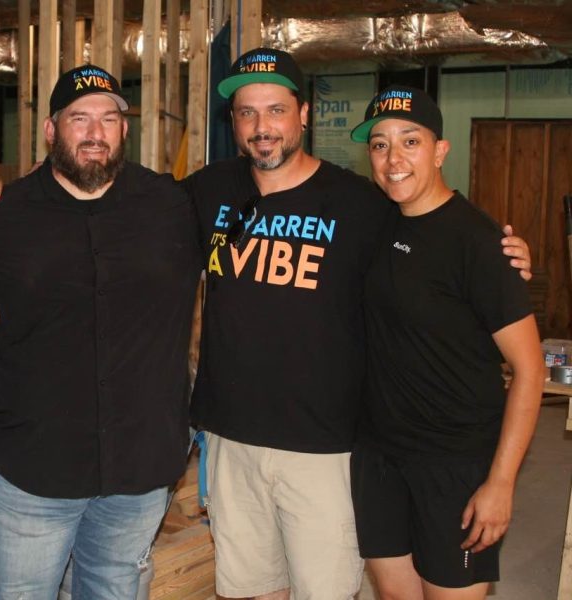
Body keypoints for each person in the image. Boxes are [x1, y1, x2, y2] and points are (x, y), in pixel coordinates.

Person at [184, 48, 534, 600]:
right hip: (237, 439)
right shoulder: (208, 190)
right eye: (247, 112)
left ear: (303, 115)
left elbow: (439, 229)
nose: (262, 126)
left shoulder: (362, 205)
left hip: (328, 445)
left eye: (276, 110)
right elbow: (128, 214)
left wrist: (503, 253)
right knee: (255, 589)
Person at [0, 66, 201, 599]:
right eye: (79, 118)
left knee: (113, 590)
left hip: (140, 461)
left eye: (108, 119)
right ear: (51, 130)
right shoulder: (0, 217)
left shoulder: (173, 205)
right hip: (36, 463)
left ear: (125, 129)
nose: (95, 132)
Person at [348, 86, 544, 600]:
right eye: (380, 144)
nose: (394, 159)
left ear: (440, 151)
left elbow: (531, 371)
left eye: (410, 141)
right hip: (380, 456)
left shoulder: (479, 242)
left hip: (454, 462)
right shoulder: (376, 220)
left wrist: (501, 483)